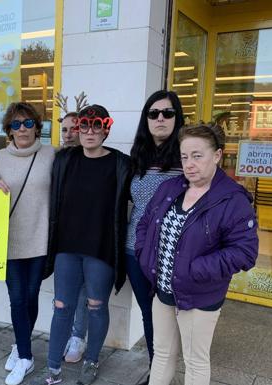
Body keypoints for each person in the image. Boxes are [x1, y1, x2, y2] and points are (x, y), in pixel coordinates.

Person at [135, 124, 258, 385]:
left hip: (199, 296)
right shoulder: (170, 188)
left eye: (197, 156)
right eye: (184, 156)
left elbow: (245, 252)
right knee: (162, 354)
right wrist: (145, 254)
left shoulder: (232, 200)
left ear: (217, 156)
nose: (189, 164)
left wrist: (196, 269)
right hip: (163, 291)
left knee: (195, 361)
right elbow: (145, 223)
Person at [35, 104, 131, 385]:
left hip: (100, 248)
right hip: (67, 247)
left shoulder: (120, 164)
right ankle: (53, 370)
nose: (90, 132)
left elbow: (142, 195)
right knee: (62, 306)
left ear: (106, 129)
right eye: (84, 126)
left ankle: (91, 360)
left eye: (96, 125)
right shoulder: (65, 159)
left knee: (96, 306)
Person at [0, 102, 55, 385]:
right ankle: (26, 357)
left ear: (37, 127)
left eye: (28, 123)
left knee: (30, 296)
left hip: (39, 238)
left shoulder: (50, 155)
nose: (22, 129)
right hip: (9, 240)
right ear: (9, 129)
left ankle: (20, 346)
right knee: (17, 298)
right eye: (16, 124)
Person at [127, 90, 185, 384]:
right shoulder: (136, 157)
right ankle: (157, 372)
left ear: (177, 117)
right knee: (149, 315)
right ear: (146, 119)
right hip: (134, 251)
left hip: (171, 254)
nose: (160, 118)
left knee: (169, 318)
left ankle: (164, 373)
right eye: (154, 113)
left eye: (167, 113)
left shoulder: (186, 157)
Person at [60, 110, 88, 363]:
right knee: (64, 292)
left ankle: (78, 336)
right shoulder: (57, 158)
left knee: (83, 292)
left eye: (74, 128)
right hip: (63, 236)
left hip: (88, 238)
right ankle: (64, 334)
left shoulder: (96, 158)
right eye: (64, 129)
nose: (69, 134)